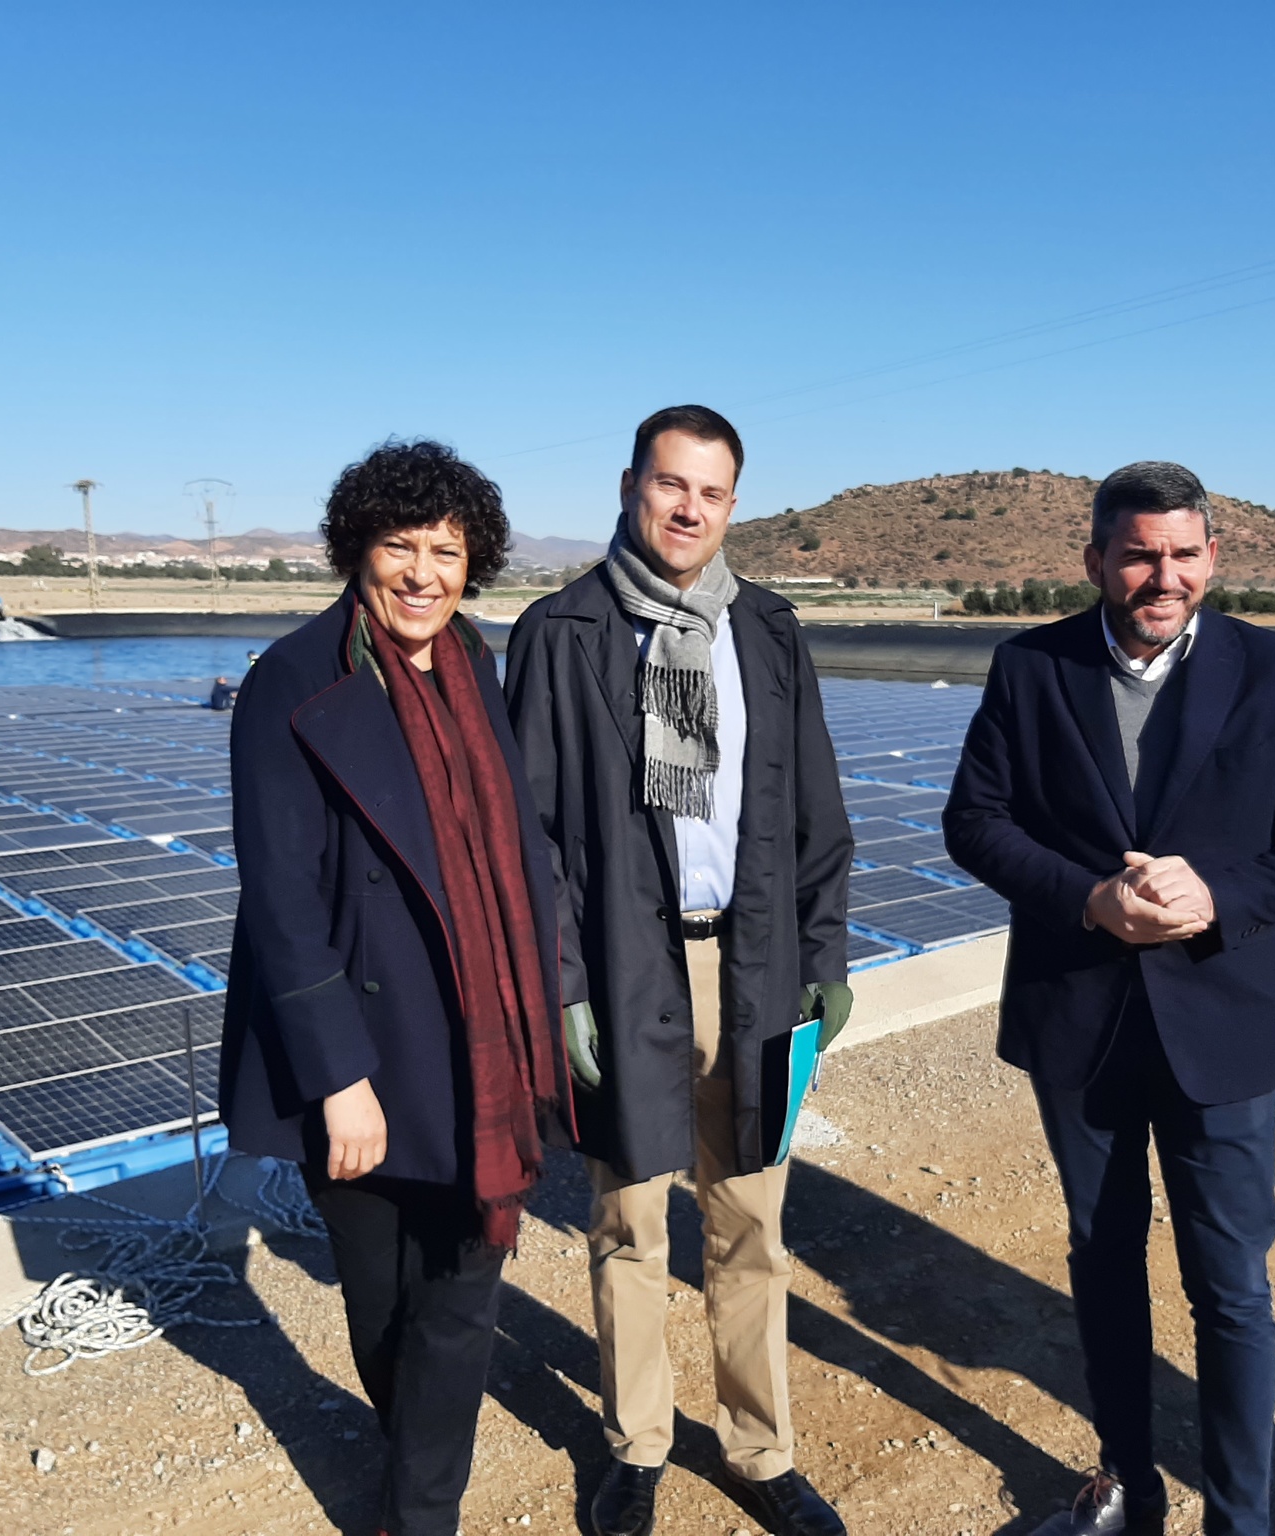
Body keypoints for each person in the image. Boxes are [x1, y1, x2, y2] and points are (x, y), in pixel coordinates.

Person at [943, 461, 1275, 1536]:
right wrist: (1087, 899)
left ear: (1211, 559)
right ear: (1094, 559)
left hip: (1217, 1023)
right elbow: (975, 823)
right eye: (1137, 554)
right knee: (1101, 1264)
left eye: (1183, 554)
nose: (1161, 575)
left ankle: (1241, 1518)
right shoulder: (1029, 667)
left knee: (1228, 1285)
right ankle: (1130, 1487)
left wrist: (1218, 893)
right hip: (1077, 1023)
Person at [506, 405, 855, 1536]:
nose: (686, 509)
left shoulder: (767, 628)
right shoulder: (562, 632)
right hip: (624, 970)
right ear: (629, 486)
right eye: (669, 485)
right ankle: (637, 1444)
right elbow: (535, 839)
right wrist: (562, 984)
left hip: (751, 970)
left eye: (709, 491)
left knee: (751, 1225)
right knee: (627, 1228)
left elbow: (815, 812)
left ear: (732, 504)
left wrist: (824, 955)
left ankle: (760, 1452)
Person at [219, 438, 574, 1536]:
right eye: (399, 546)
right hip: (363, 1051)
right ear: (354, 550)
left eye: (447, 550)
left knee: (461, 1295)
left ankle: (420, 1514)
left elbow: (513, 847)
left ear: (474, 564)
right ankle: (412, 1456)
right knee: (380, 1307)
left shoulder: (474, 660)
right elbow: (280, 899)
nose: (423, 572)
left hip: (481, 1040)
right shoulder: (292, 681)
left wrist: (557, 995)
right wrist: (339, 1079)